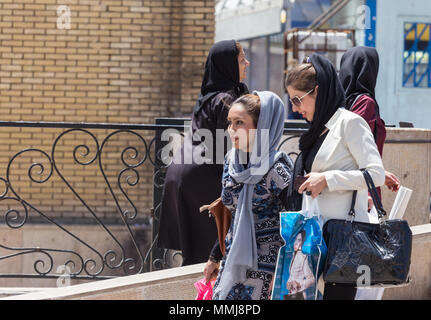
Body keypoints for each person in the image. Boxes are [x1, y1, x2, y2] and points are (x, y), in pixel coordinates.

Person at [285, 53, 386, 300]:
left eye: (298, 100)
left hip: (344, 240)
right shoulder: (319, 129)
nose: (296, 109)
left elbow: (376, 174)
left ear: (317, 91)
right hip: (314, 238)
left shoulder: (350, 123)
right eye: (292, 102)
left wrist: (328, 179)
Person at [158, 40, 250, 266]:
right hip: (202, 178)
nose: (247, 63)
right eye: (241, 60)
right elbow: (234, 147)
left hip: (184, 173)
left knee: (196, 254)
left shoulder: (210, 95)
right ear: (228, 66)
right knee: (209, 254)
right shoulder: (227, 100)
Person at [203, 92, 294, 300]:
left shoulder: (277, 168)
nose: (231, 130)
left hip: (268, 263)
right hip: (233, 260)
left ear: (261, 126)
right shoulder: (231, 162)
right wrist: (214, 257)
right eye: (229, 123)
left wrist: (283, 273)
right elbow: (233, 215)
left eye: (239, 123)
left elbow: (294, 222)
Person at [339, 46, 400, 205]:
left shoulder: (338, 104)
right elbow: (355, 148)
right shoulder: (365, 103)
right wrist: (378, 173)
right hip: (363, 189)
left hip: (345, 187)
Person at [284, 230, 315, 300]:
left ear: (304, 242)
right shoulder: (295, 255)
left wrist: (299, 284)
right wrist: (288, 283)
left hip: (298, 296)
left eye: (299, 240)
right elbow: (292, 276)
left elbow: (312, 279)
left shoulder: (304, 257)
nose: (295, 243)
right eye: (295, 240)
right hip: (291, 294)